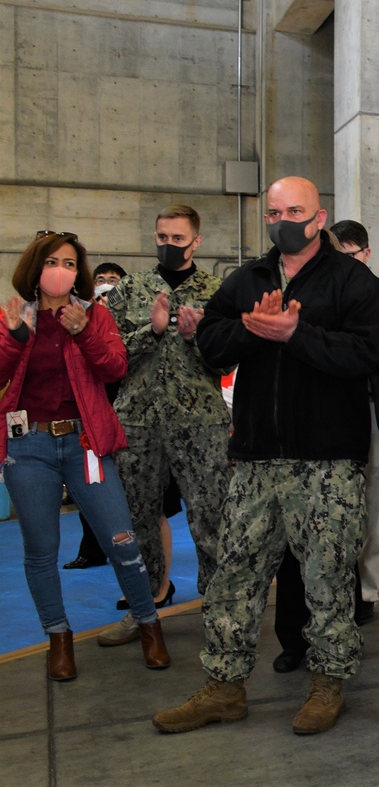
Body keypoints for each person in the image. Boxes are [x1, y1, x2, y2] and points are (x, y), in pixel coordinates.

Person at [152, 176, 379, 736]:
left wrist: (293, 334)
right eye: (275, 211)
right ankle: (224, 687)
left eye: (295, 210)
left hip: (326, 461)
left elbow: (366, 354)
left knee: (327, 578)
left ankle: (329, 681)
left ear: (320, 217)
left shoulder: (353, 280)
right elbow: (210, 342)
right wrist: (256, 332)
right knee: (235, 575)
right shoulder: (249, 277)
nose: (284, 219)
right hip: (255, 458)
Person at [0, 231, 169, 680]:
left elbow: (115, 367)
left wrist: (83, 333)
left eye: (71, 264)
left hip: (84, 444)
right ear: (35, 268)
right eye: (54, 261)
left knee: (122, 540)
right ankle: (59, 638)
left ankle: (149, 626)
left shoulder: (94, 316)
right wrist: (17, 337)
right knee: (40, 550)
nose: (62, 270)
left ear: (80, 272)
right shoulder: (13, 315)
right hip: (27, 445)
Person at [268, 220, 379, 673]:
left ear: (367, 254)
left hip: (375, 407)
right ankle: (315, 612)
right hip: (324, 411)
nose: (346, 261)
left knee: (370, 508)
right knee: (320, 516)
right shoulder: (312, 292)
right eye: (339, 253)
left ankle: (364, 593)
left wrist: (354, 350)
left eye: (353, 255)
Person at [100, 205, 234, 646]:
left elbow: (227, 360)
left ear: (197, 242)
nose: (168, 246)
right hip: (137, 423)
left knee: (210, 517)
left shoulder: (218, 292)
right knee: (136, 520)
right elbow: (110, 358)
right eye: (162, 237)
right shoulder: (130, 289)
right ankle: (142, 610)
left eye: (178, 239)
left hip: (200, 424)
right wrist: (152, 333)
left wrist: (197, 338)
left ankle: (218, 610)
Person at [63, 261, 130, 571]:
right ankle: (91, 549)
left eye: (112, 280)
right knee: (91, 480)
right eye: (99, 279)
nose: (105, 285)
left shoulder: (130, 316)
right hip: (95, 406)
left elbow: (120, 362)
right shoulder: (83, 315)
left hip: (126, 407)